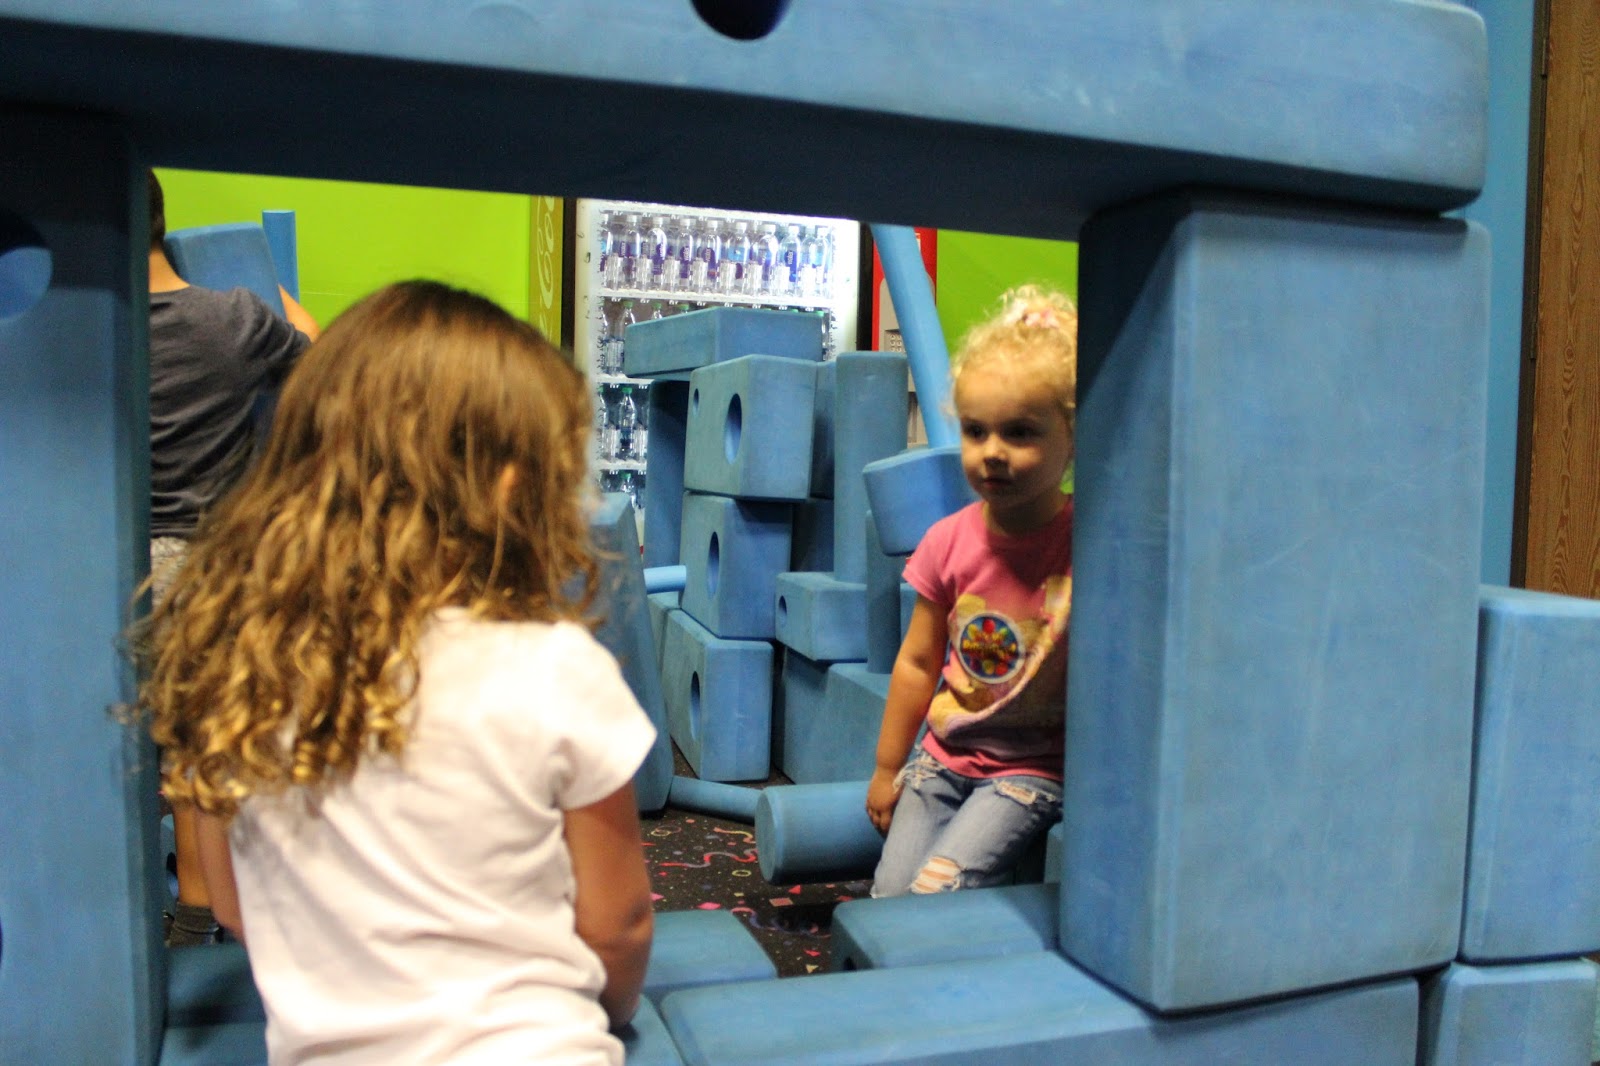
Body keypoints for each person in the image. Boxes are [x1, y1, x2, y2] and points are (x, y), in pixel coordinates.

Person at [134, 280, 656, 1064]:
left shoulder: (242, 666)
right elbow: (619, 924)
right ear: (511, 490)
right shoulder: (556, 664)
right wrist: (608, 1014)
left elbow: (237, 909)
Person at [146, 169, 320, 945]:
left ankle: (190, 911)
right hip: (220, 567)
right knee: (214, 747)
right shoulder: (232, 319)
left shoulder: (96, 335)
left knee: (172, 752)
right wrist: (269, 287)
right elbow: (315, 354)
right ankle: (209, 909)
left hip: (131, 570)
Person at [866, 284, 1077, 897]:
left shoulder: (1089, 540)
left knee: (938, 886)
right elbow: (917, 661)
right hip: (943, 756)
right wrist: (886, 767)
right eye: (976, 431)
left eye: (1020, 432)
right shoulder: (947, 541)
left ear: (1071, 436)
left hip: (1031, 770)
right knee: (890, 895)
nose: (993, 454)